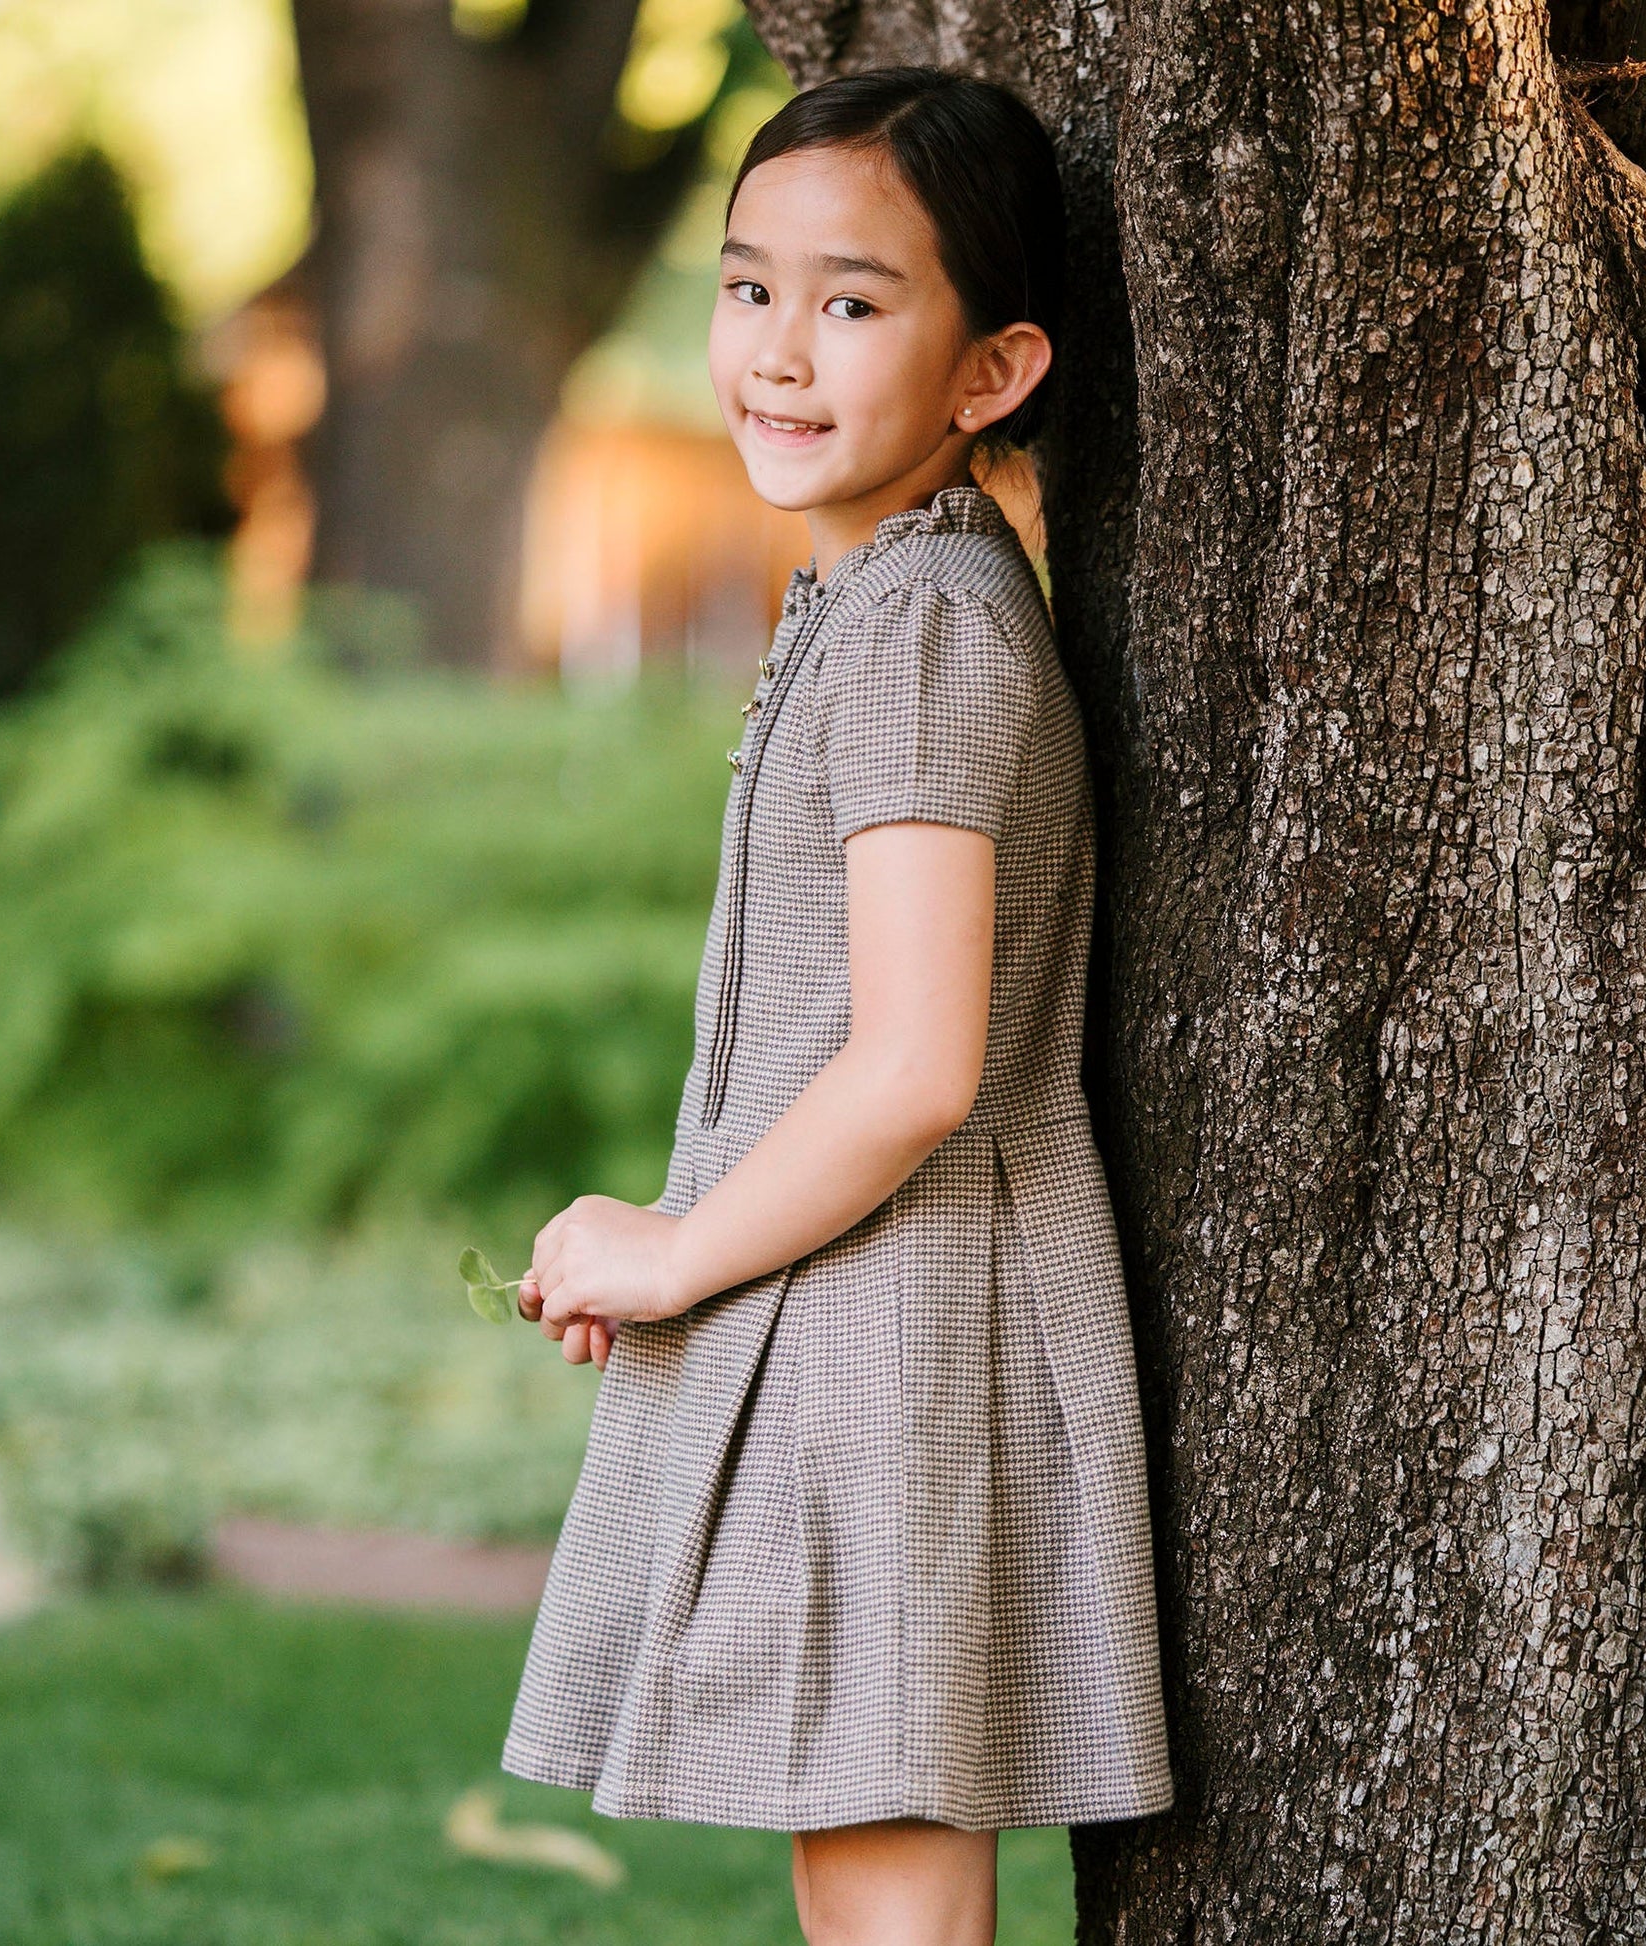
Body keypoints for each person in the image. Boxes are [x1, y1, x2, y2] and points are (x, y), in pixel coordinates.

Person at [500, 64, 1173, 1946]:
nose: (777, 351)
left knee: (887, 1897)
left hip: (901, 1332)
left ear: (992, 371)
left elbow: (914, 1064)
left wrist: (672, 1251)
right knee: (855, 1877)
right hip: (855, 1306)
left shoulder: (927, 631)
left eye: (854, 304)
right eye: (746, 287)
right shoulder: (882, 600)